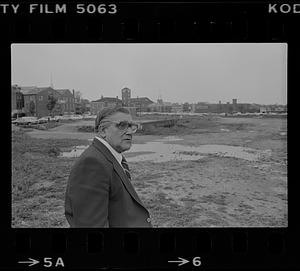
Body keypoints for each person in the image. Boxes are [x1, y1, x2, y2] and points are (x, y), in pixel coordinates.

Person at [65, 107, 152, 227]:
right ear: (102, 131)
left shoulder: (111, 157)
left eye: (132, 126)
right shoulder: (92, 163)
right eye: (122, 125)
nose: (130, 131)